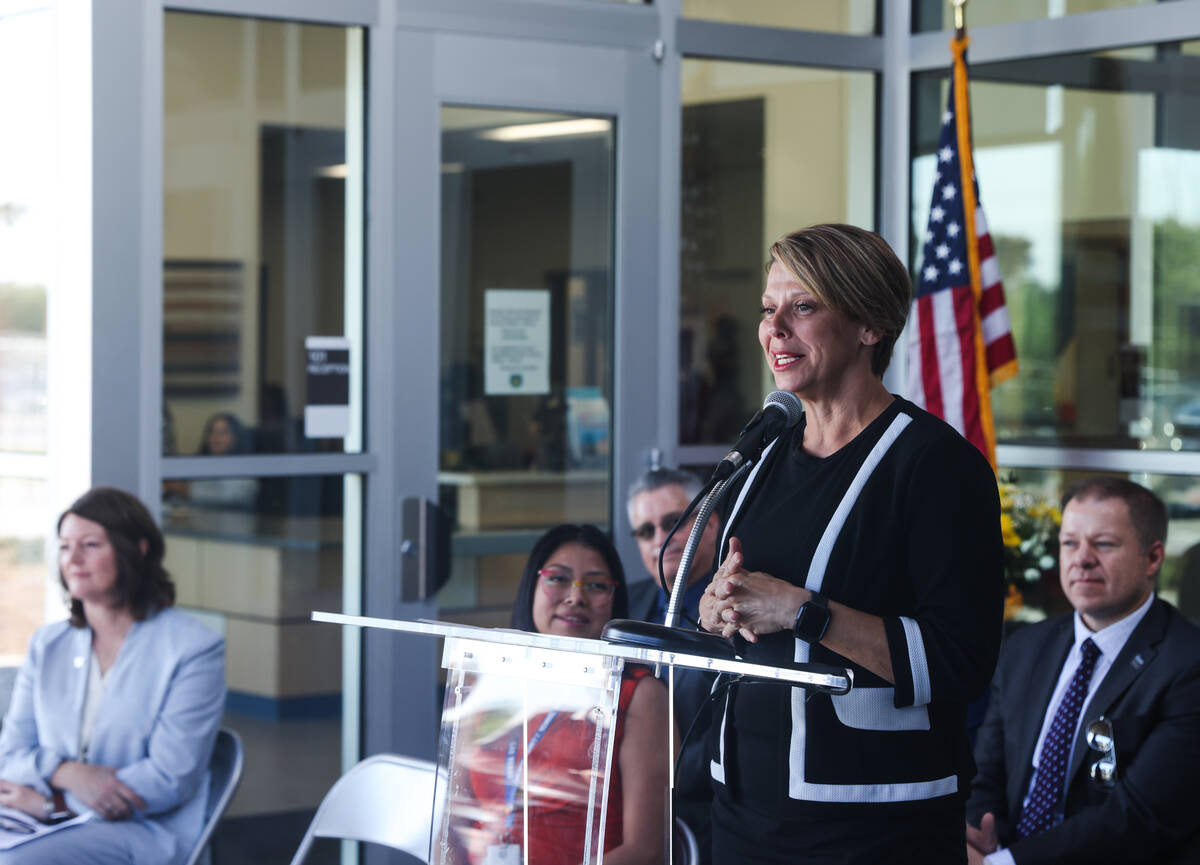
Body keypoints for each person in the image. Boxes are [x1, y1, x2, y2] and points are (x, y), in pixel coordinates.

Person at [698, 223, 1005, 864]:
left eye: (803, 306)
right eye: (767, 309)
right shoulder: (765, 453)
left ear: (869, 326)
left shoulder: (934, 465)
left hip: (872, 829)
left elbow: (962, 662)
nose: (774, 328)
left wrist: (805, 612)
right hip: (743, 814)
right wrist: (716, 606)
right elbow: (740, 603)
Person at [965, 477, 1200, 865]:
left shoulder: (1187, 666)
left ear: (1153, 558)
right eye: (1070, 543)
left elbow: (1137, 818)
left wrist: (1005, 864)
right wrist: (976, 833)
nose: (1082, 558)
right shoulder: (1025, 646)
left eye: (1104, 544)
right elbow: (985, 773)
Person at [0, 486, 226, 865]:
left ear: (136, 549)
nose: (72, 559)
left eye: (89, 544)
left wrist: (52, 803)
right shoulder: (48, 644)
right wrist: (66, 772)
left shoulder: (193, 648)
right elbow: (11, 756)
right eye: (63, 546)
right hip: (37, 819)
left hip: (141, 830)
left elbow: (169, 777)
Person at [461, 524, 672, 865]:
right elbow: (456, 817)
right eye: (558, 579)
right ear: (533, 585)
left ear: (615, 599)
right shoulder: (495, 679)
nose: (576, 597)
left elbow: (645, 850)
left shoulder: (640, 695)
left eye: (596, 585)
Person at [624, 466, 718, 864]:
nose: (660, 539)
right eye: (646, 531)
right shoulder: (626, 604)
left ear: (711, 523)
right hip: (632, 810)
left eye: (673, 522)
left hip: (708, 814)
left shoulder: (736, 604)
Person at [190, 412, 257, 509]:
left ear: (236, 437)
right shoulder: (202, 463)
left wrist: (187, 491)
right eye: (212, 432)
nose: (216, 438)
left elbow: (227, 498)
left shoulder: (245, 467)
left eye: (223, 433)